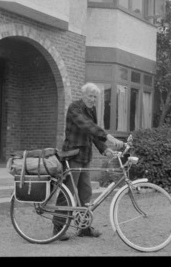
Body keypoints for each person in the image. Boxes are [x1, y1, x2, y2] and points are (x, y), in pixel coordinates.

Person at [53, 82, 124, 240]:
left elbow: (92, 133)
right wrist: (108, 136)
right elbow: (86, 126)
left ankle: (83, 228)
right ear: (83, 95)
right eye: (90, 96)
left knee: (86, 193)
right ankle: (58, 229)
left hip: (85, 157)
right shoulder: (74, 108)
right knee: (68, 192)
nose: (93, 99)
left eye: (95, 96)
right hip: (72, 156)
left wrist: (103, 148)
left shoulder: (92, 110)